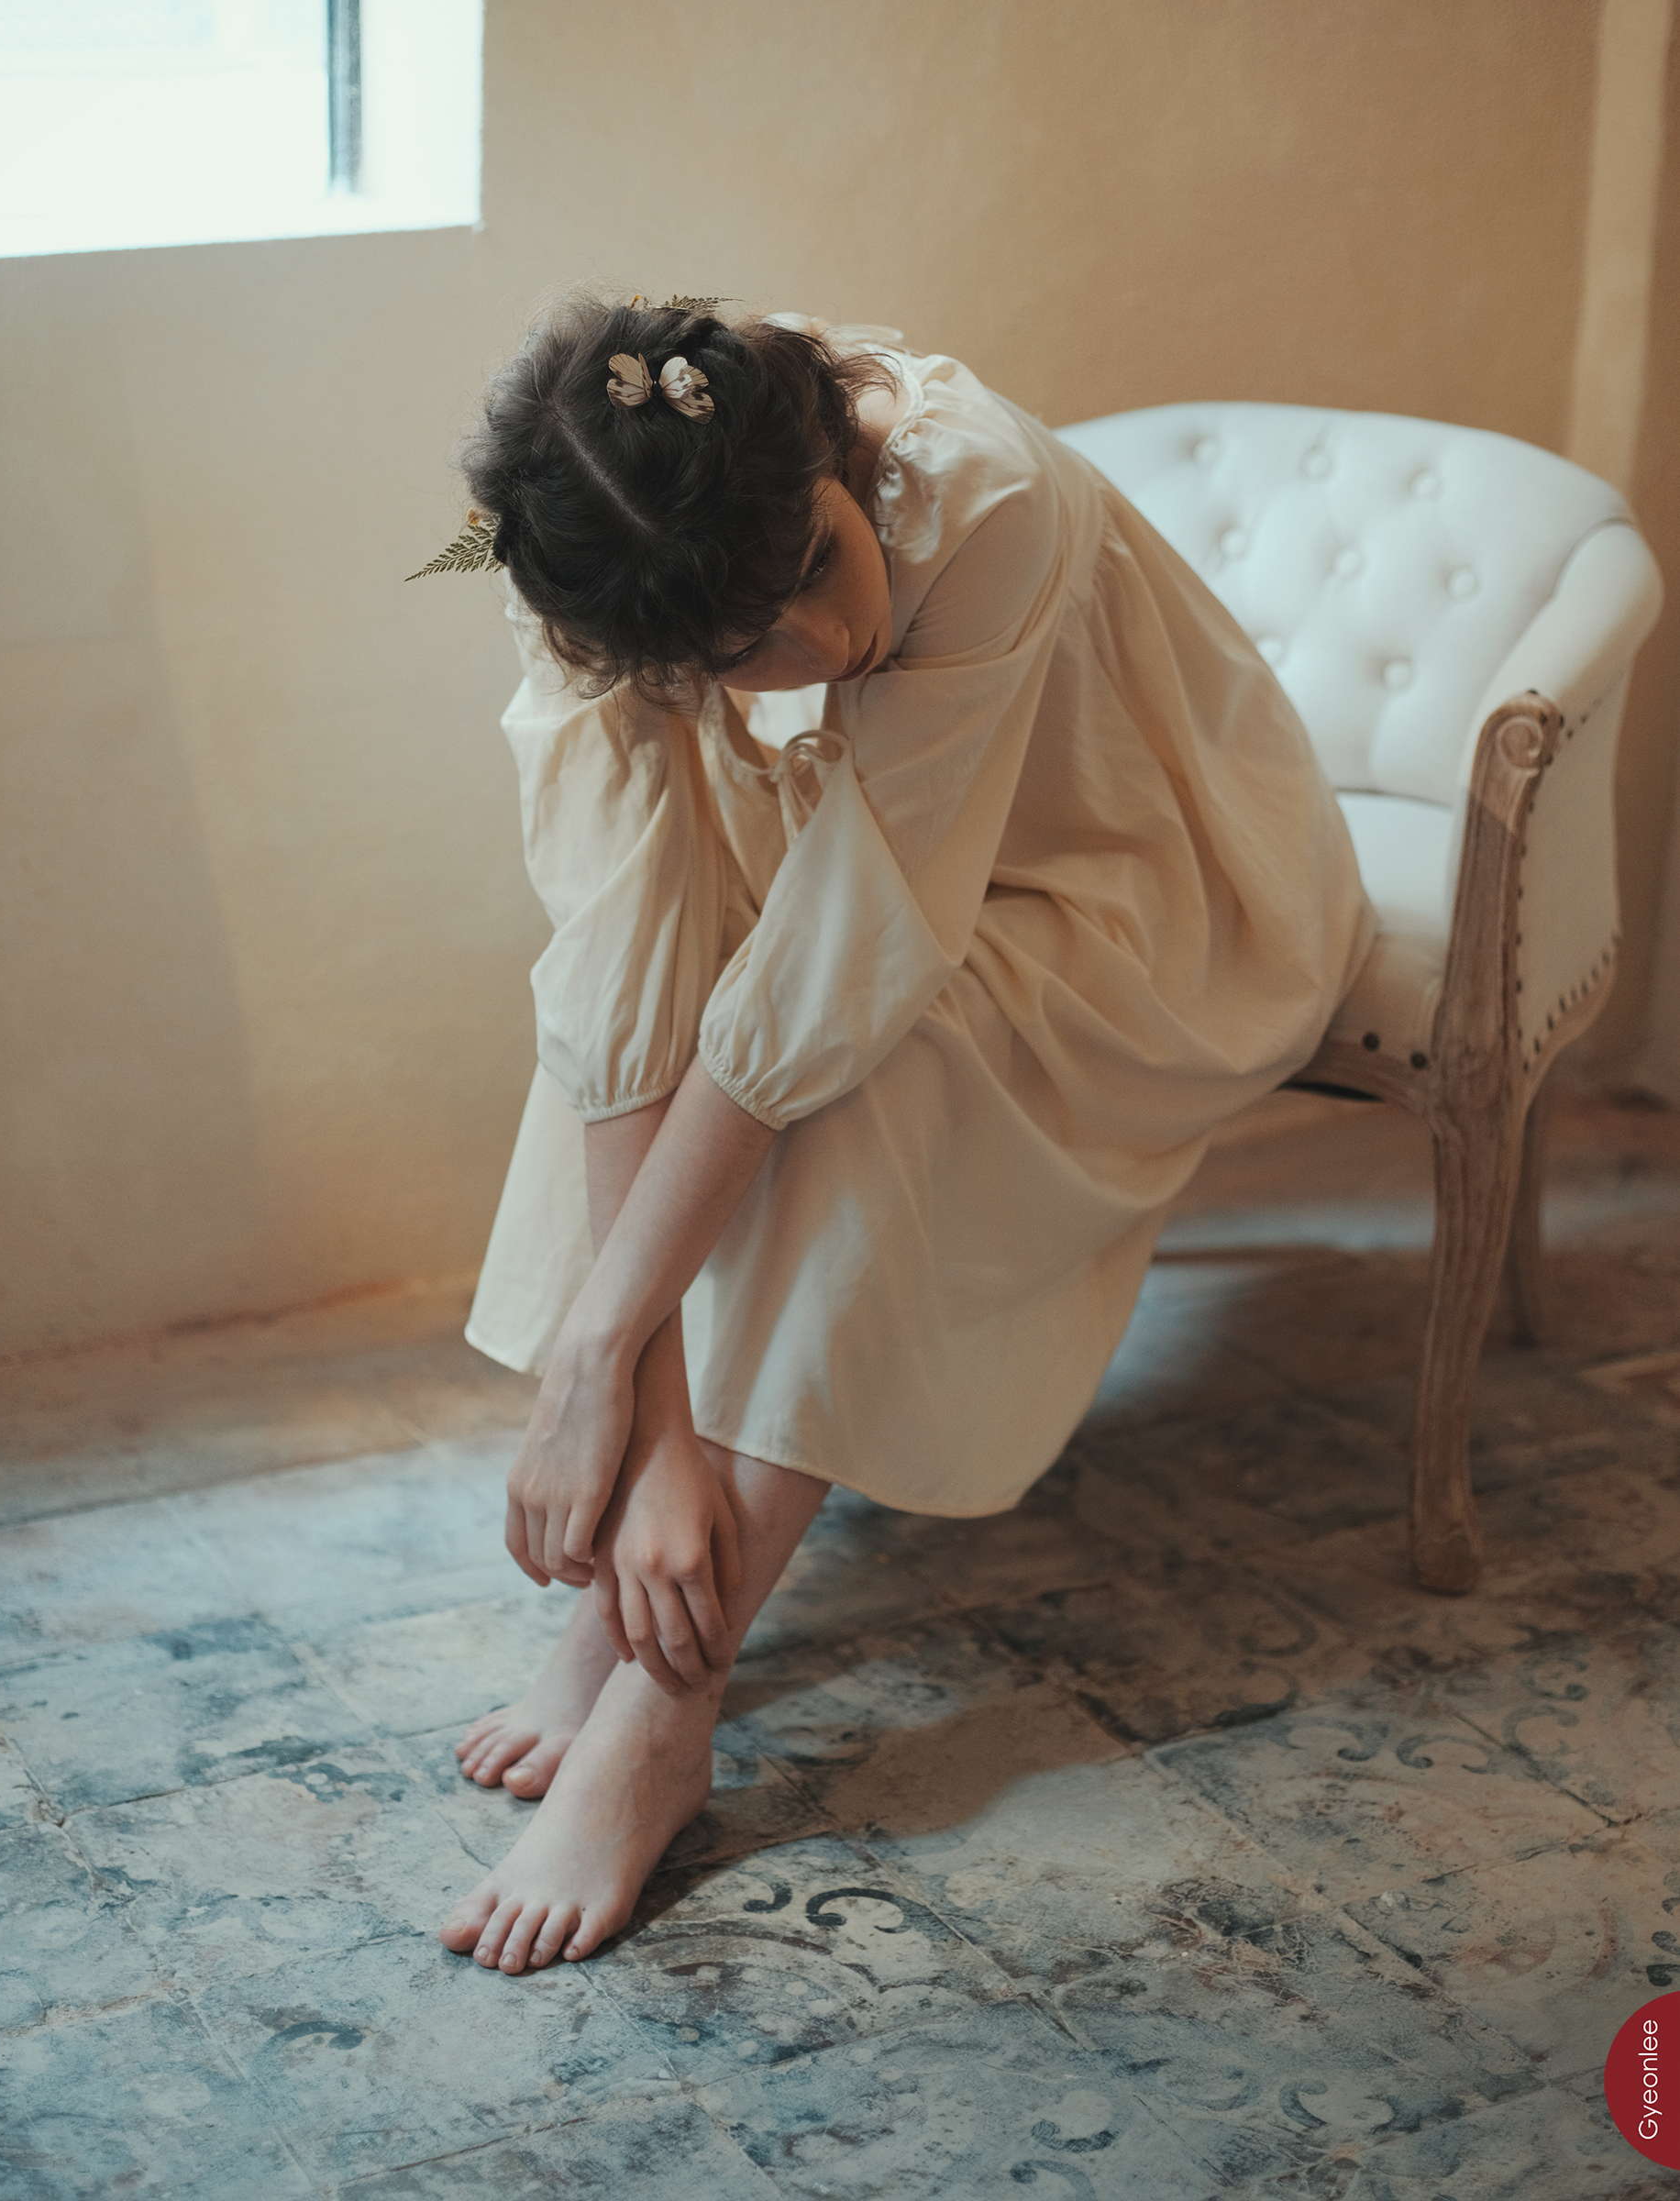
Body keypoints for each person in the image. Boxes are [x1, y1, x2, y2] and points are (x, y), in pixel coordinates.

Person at [430, 293, 1376, 1977]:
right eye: (743, 650)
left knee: (883, 1059)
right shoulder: (590, 577)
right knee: (656, 1010)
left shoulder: (979, 500)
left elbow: (840, 976)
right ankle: (628, 1602)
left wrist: (599, 1356)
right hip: (891, 875)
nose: (820, 638)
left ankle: (661, 1706)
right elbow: (625, 974)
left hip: (1158, 883)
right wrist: (639, 1423)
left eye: (815, 562)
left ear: (825, 460)